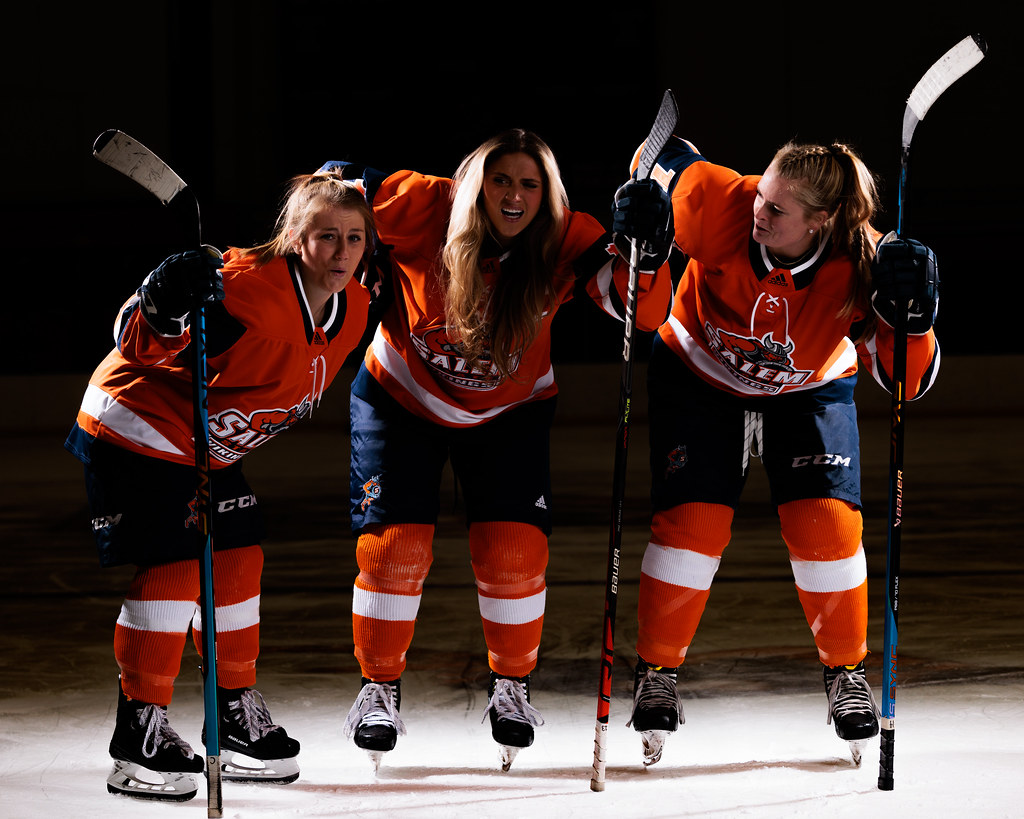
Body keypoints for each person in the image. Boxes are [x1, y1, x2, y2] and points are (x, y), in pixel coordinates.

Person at [319, 128, 672, 771]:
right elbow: (334, 180)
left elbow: (639, 312)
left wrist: (648, 251)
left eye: (529, 183)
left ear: (548, 194)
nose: (513, 194)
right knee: (397, 551)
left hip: (510, 412)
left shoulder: (568, 236)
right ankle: (379, 687)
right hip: (402, 398)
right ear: (476, 185)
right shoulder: (424, 204)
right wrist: (351, 228)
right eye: (500, 180)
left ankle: (512, 685)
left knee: (514, 555)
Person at [611, 134, 940, 766]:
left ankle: (845, 673)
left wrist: (915, 319)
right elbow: (658, 154)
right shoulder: (720, 205)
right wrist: (642, 203)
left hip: (808, 389)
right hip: (698, 374)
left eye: (778, 210)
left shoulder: (864, 265)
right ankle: (656, 672)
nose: (758, 213)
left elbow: (906, 382)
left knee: (827, 527)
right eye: (761, 195)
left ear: (822, 221)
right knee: (692, 526)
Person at [64, 172, 377, 801]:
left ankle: (232, 712)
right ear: (294, 236)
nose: (341, 252)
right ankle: (137, 734)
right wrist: (161, 301)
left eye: (354, 238)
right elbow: (135, 332)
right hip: (138, 427)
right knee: (177, 563)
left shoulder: (356, 311)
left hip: (206, 447)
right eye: (325, 236)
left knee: (238, 557)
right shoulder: (243, 287)